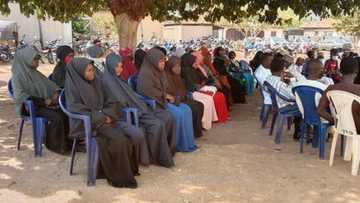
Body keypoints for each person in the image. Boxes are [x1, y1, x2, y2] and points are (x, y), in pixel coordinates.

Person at [65, 57, 144, 188]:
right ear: (79, 72)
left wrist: (108, 115)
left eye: (93, 70)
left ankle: (127, 170)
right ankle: (121, 177)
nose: (92, 73)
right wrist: (101, 117)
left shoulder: (97, 82)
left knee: (129, 136)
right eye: (89, 71)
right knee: (120, 139)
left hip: (106, 119)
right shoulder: (73, 88)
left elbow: (111, 101)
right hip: (89, 124)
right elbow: (76, 109)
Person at [102, 53, 175, 167]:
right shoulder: (108, 81)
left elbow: (130, 94)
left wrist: (139, 102)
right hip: (125, 113)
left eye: (121, 66)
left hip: (137, 108)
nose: (119, 69)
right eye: (116, 67)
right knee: (157, 124)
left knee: (167, 117)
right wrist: (136, 106)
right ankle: (153, 157)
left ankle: (163, 152)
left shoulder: (119, 78)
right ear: (110, 66)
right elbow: (118, 101)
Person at [11, 46, 71, 154]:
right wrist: (44, 101)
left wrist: (56, 93)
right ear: (26, 59)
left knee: (65, 112)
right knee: (56, 117)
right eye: (35, 59)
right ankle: (55, 146)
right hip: (30, 107)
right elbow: (21, 96)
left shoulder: (34, 72)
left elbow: (50, 85)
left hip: (43, 104)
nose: (38, 62)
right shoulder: (18, 76)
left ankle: (68, 143)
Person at [137, 48, 196, 152]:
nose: (163, 64)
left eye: (164, 60)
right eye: (160, 62)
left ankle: (188, 143)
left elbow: (166, 86)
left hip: (164, 100)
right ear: (152, 61)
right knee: (178, 114)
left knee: (187, 109)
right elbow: (149, 92)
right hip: (155, 104)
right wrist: (166, 96)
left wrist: (169, 96)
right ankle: (178, 145)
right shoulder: (145, 74)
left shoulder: (160, 72)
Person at [318, 57, 360, 134]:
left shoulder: (330, 89)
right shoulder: (358, 89)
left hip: (342, 126)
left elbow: (320, 111)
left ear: (340, 71)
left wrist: (337, 121)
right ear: (356, 71)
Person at [165, 55, 205, 138]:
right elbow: (169, 93)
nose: (178, 69)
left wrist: (184, 94)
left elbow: (183, 89)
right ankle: (191, 132)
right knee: (193, 108)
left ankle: (196, 131)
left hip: (183, 98)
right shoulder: (166, 77)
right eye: (175, 67)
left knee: (200, 105)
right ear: (170, 67)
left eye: (179, 66)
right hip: (175, 100)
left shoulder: (177, 76)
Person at [265, 57, 301, 140]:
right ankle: (299, 132)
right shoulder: (280, 84)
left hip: (277, 104)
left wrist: (285, 82)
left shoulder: (269, 78)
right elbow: (293, 96)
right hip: (284, 106)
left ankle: (299, 130)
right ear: (283, 69)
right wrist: (292, 79)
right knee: (305, 107)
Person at [181, 53, 218, 130]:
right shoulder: (185, 71)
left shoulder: (193, 69)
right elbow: (190, 85)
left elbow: (203, 78)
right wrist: (200, 86)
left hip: (197, 89)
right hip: (191, 92)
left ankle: (207, 122)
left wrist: (202, 83)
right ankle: (204, 123)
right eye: (193, 61)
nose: (195, 63)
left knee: (209, 97)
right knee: (206, 100)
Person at [192, 51, 229, 122]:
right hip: (201, 87)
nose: (202, 59)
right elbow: (199, 81)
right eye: (200, 58)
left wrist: (213, 80)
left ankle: (221, 115)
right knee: (219, 94)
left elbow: (209, 75)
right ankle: (214, 118)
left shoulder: (202, 66)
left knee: (224, 91)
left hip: (208, 83)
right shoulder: (195, 68)